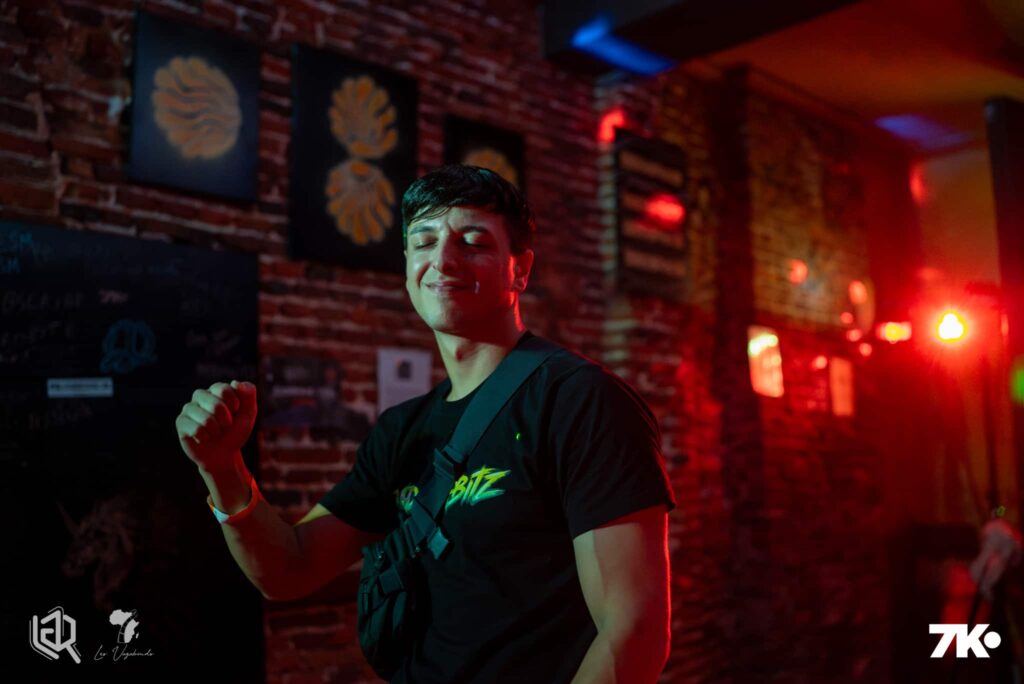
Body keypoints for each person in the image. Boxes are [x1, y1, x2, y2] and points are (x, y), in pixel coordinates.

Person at [175, 164, 677, 682]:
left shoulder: (581, 401)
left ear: (520, 270)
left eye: (473, 242)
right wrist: (222, 467)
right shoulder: (402, 429)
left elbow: (632, 631)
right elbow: (289, 569)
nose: (443, 259)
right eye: (424, 241)